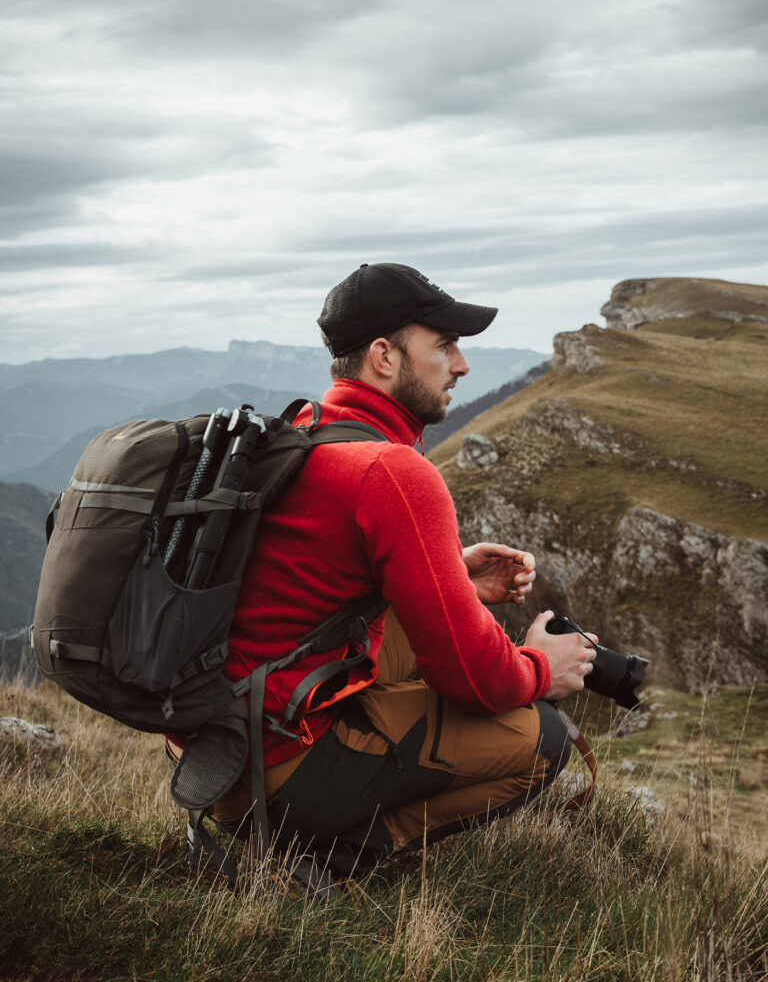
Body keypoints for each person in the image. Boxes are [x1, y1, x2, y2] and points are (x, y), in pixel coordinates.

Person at [169, 262, 598, 880]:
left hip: (218, 750)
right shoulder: (391, 471)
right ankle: (337, 856)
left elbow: (311, 585)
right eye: (444, 345)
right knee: (545, 738)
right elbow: (477, 680)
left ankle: (318, 821)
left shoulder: (304, 433)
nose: (462, 365)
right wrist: (539, 668)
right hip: (282, 772)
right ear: (383, 356)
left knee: (427, 645)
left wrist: (448, 574)